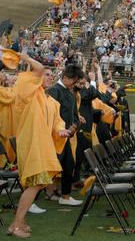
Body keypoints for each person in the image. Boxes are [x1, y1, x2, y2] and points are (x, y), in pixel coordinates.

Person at [8, 51, 70, 238]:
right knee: (36, 184)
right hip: (32, 146)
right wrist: (26, 58)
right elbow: (39, 68)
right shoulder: (27, 91)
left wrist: (60, 130)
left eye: (51, 75)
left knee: (35, 184)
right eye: (46, 75)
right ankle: (16, 224)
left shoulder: (46, 98)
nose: (49, 77)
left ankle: (20, 220)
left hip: (41, 146)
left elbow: (56, 120)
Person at [46, 64, 85, 205]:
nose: (75, 85)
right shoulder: (54, 91)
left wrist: (74, 127)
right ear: (67, 78)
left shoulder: (70, 92)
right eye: (74, 81)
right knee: (50, 168)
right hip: (54, 137)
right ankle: (41, 195)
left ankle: (65, 196)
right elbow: (50, 116)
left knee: (69, 164)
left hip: (66, 136)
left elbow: (75, 115)